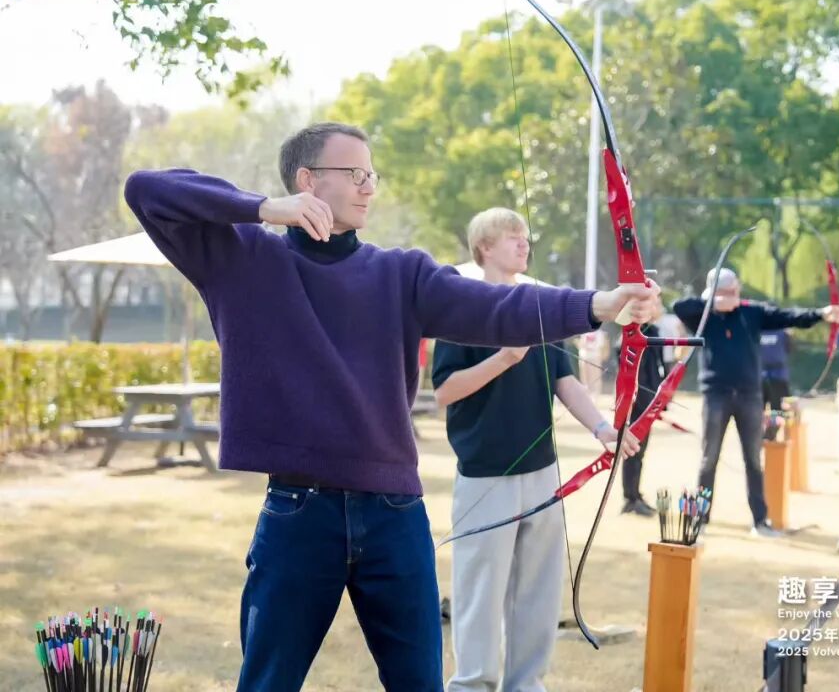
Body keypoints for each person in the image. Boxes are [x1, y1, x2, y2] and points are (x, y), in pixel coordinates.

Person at [124, 122, 660, 692]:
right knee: (267, 682)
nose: (367, 187)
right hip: (299, 513)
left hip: (394, 513)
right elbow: (146, 188)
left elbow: (495, 305)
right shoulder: (244, 256)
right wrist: (264, 209)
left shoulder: (401, 272)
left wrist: (599, 304)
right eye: (353, 174)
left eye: (371, 175)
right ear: (307, 180)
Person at [432, 207, 641, 692]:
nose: (524, 244)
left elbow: (566, 381)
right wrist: (503, 359)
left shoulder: (541, 305)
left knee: (539, 590)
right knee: (480, 590)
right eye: (512, 237)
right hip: (486, 472)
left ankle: (526, 684)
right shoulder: (461, 306)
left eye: (526, 236)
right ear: (485, 246)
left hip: (542, 471)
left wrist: (603, 429)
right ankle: (473, 684)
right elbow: (444, 390)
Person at [672, 267, 839, 537]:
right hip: (716, 393)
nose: (730, 298)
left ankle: (760, 521)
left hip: (749, 395)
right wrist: (714, 302)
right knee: (709, 459)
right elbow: (678, 306)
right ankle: (700, 520)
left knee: (753, 459)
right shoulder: (703, 315)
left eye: (732, 293)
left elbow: (788, 316)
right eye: (723, 294)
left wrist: (822, 313)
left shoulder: (752, 313)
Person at [621, 306, 668, 516]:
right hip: (635, 399)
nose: (658, 309)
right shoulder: (631, 329)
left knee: (641, 450)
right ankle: (630, 497)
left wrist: (662, 399)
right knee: (632, 449)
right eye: (655, 305)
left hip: (650, 399)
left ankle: (635, 494)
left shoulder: (655, 332)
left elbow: (659, 367)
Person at [760, 328, 792, 411]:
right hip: (776, 376)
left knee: (758, 414)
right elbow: (788, 349)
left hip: (764, 377)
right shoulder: (784, 331)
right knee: (779, 412)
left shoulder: (754, 329)